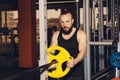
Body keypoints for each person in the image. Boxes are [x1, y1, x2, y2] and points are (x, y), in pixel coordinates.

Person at [48, 9, 87, 80]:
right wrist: (46, 58)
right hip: (61, 72)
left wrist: (74, 62)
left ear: (72, 21)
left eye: (67, 21)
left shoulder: (80, 34)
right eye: (62, 22)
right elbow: (51, 50)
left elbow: (83, 52)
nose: (64, 25)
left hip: (76, 73)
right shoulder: (56, 34)